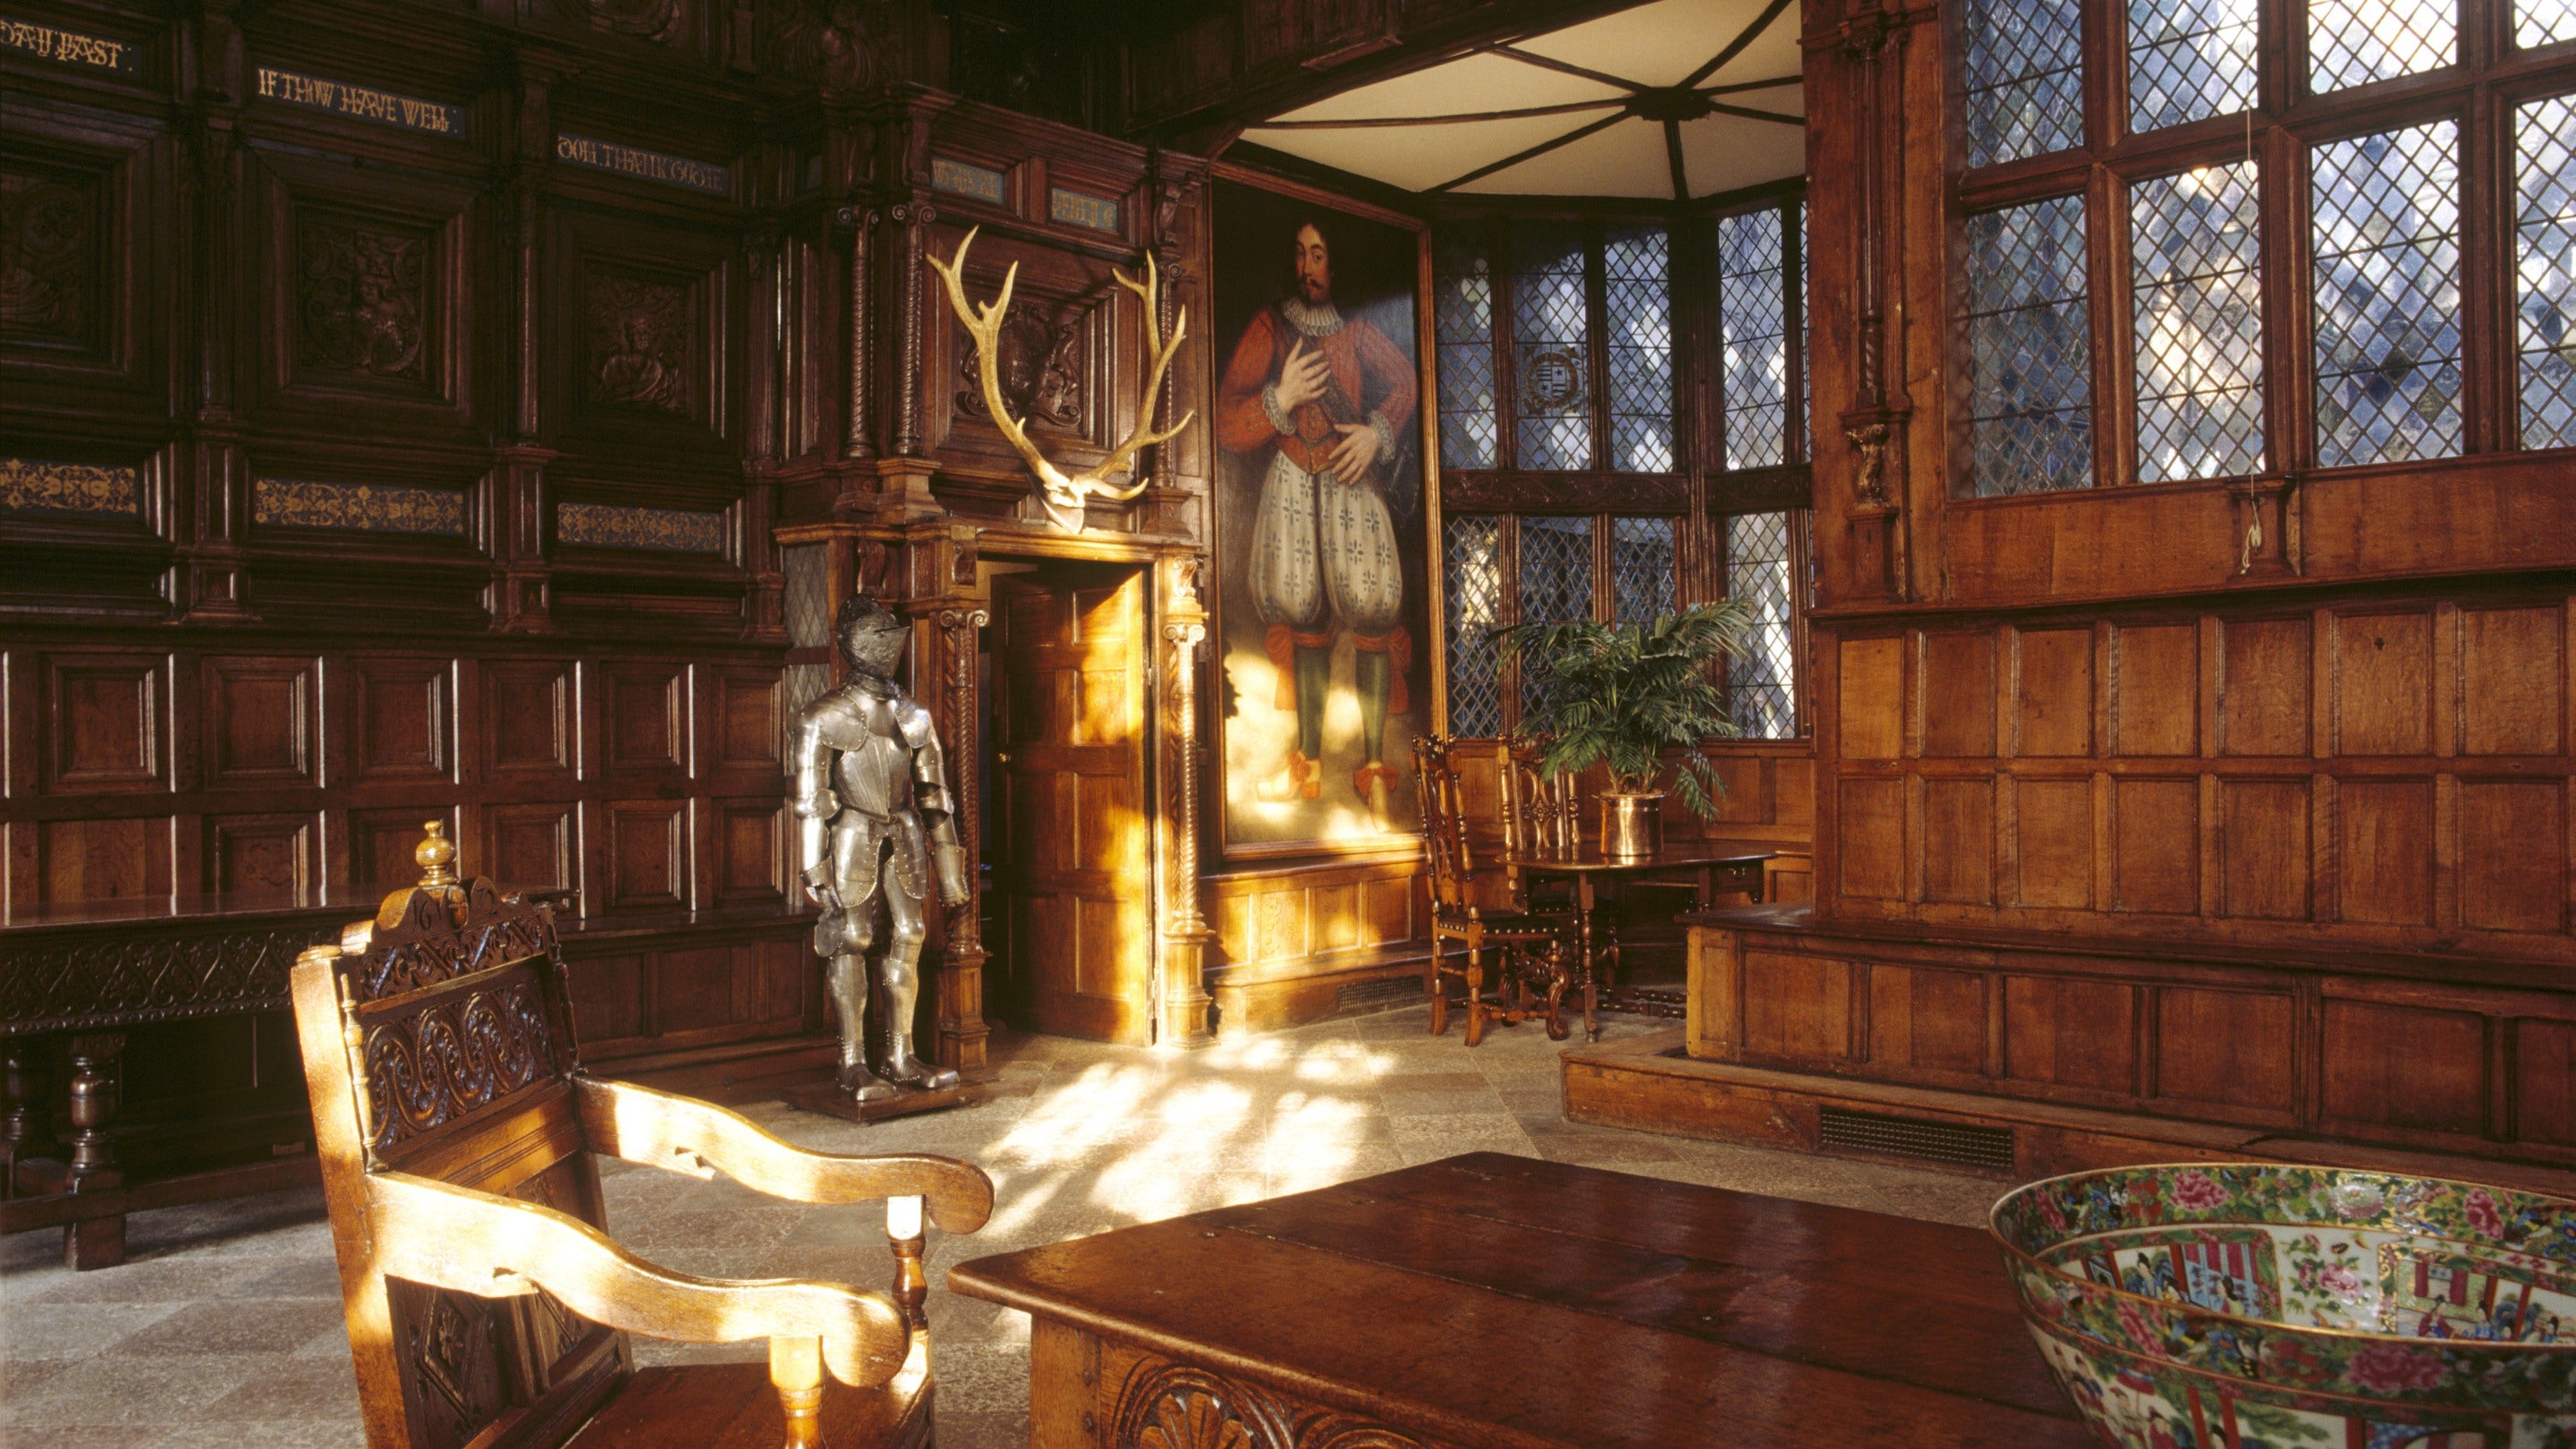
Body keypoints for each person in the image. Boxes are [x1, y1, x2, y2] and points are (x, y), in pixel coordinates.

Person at [1216, 218, 1419, 818]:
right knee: (1302, 613)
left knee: (1372, 614)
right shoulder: (1270, 328)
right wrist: (1280, 399)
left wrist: (1375, 435)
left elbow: (1406, 382)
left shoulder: (1357, 332)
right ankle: (1306, 763)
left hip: (1348, 480)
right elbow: (1227, 424)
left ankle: (1373, 766)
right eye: (1300, 254)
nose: (1307, 267)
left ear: (1336, 264)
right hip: (1291, 480)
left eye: (1319, 254)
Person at [792, 595, 970, 1100]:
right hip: (851, 829)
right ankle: (852, 1061)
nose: (888, 648)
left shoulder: (913, 715)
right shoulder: (823, 715)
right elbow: (812, 800)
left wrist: (952, 872)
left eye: (892, 638)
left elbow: (935, 797)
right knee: (852, 938)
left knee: (910, 934)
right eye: (877, 637)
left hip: (905, 828)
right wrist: (813, 868)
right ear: (852, 643)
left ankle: (900, 1056)